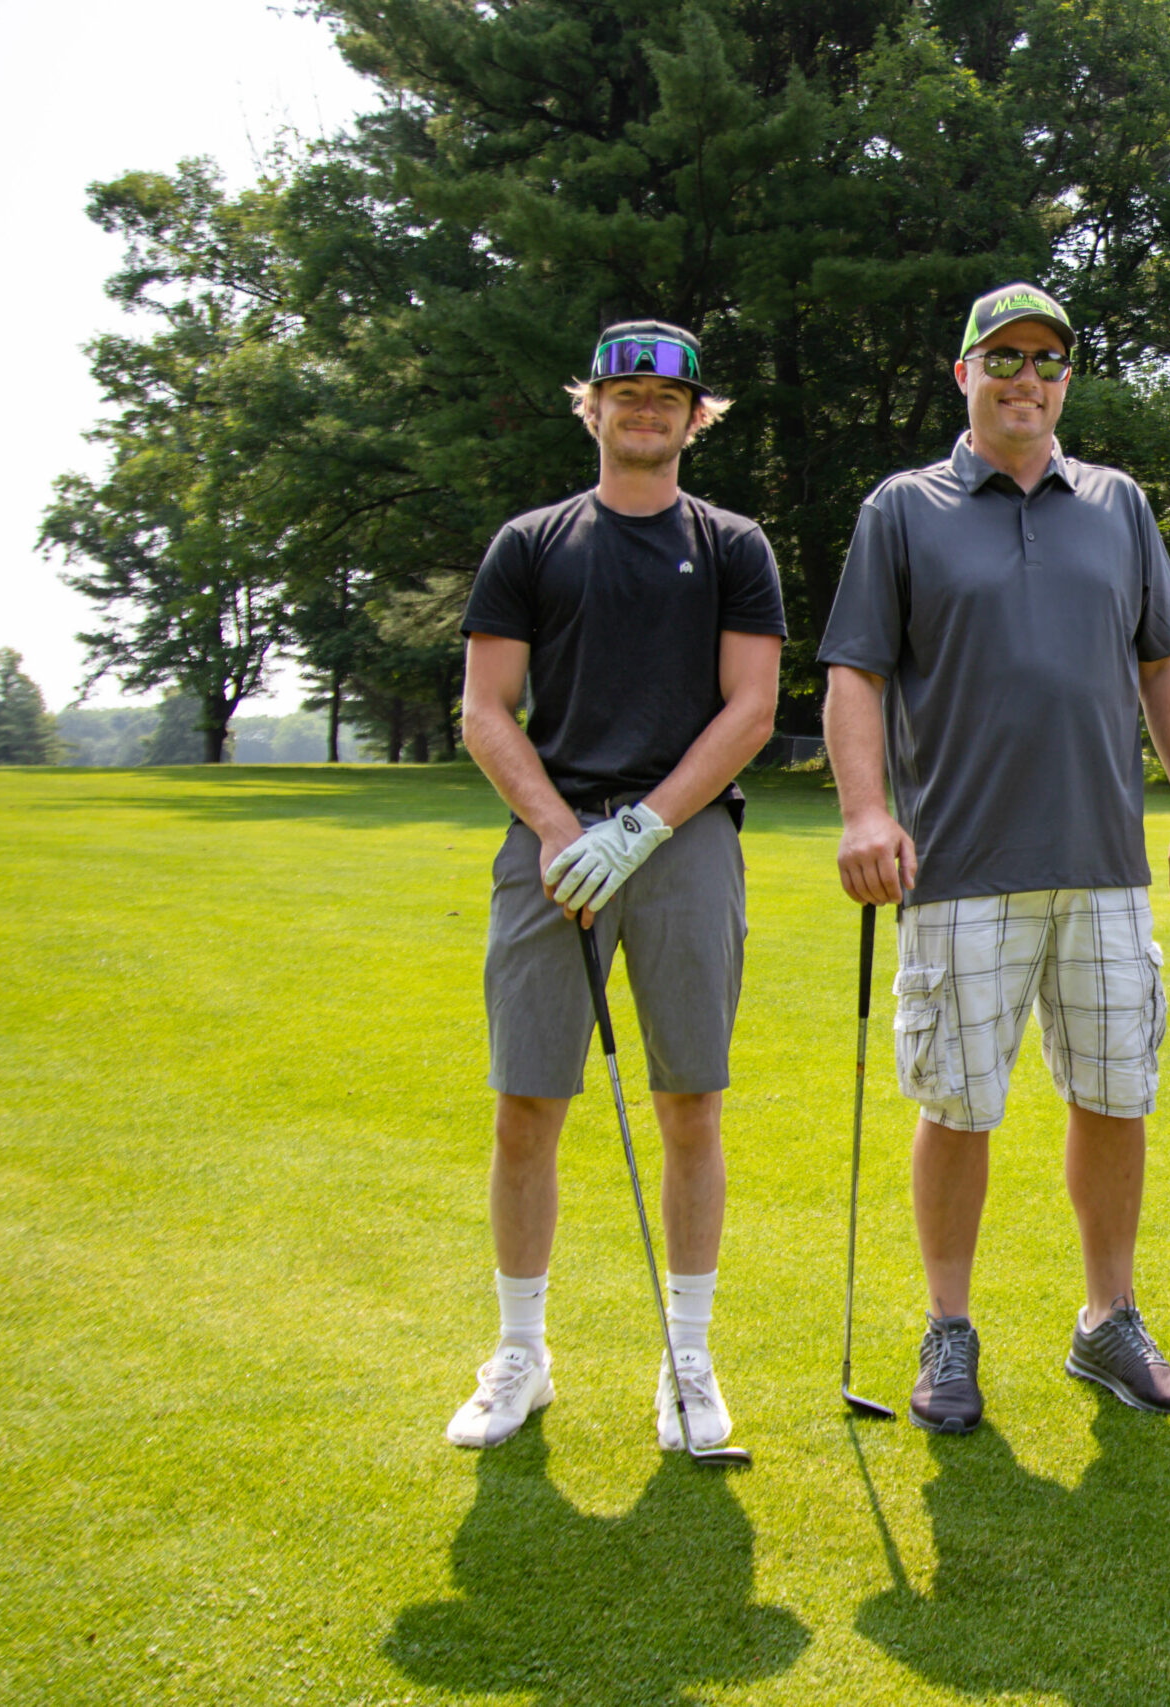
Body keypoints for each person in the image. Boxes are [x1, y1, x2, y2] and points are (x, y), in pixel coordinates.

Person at [819, 282, 1170, 1434]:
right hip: (960, 864)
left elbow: (1165, 667)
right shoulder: (903, 509)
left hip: (1103, 863)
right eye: (1002, 358)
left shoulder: (1117, 503)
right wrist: (864, 812)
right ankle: (948, 1329)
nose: (1026, 380)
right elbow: (855, 672)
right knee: (958, 1105)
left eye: (1047, 360)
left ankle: (1109, 1321)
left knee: (1115, 1094)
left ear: (1065, 380)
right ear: (964, 375)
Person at [444, 320, 785, 1451]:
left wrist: (641, 827)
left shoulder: (733, 545)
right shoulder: (531, 543)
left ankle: (688, 1360)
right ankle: (521, 1356)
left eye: (667, 398)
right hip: (551, 844)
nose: (645, 409)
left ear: (696, 418)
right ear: (590, 408)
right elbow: (485, 709)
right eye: (624, 393)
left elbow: (750, 708)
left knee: (691, 1102)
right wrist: (560, 831)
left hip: (685, 839)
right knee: (526, 1104)